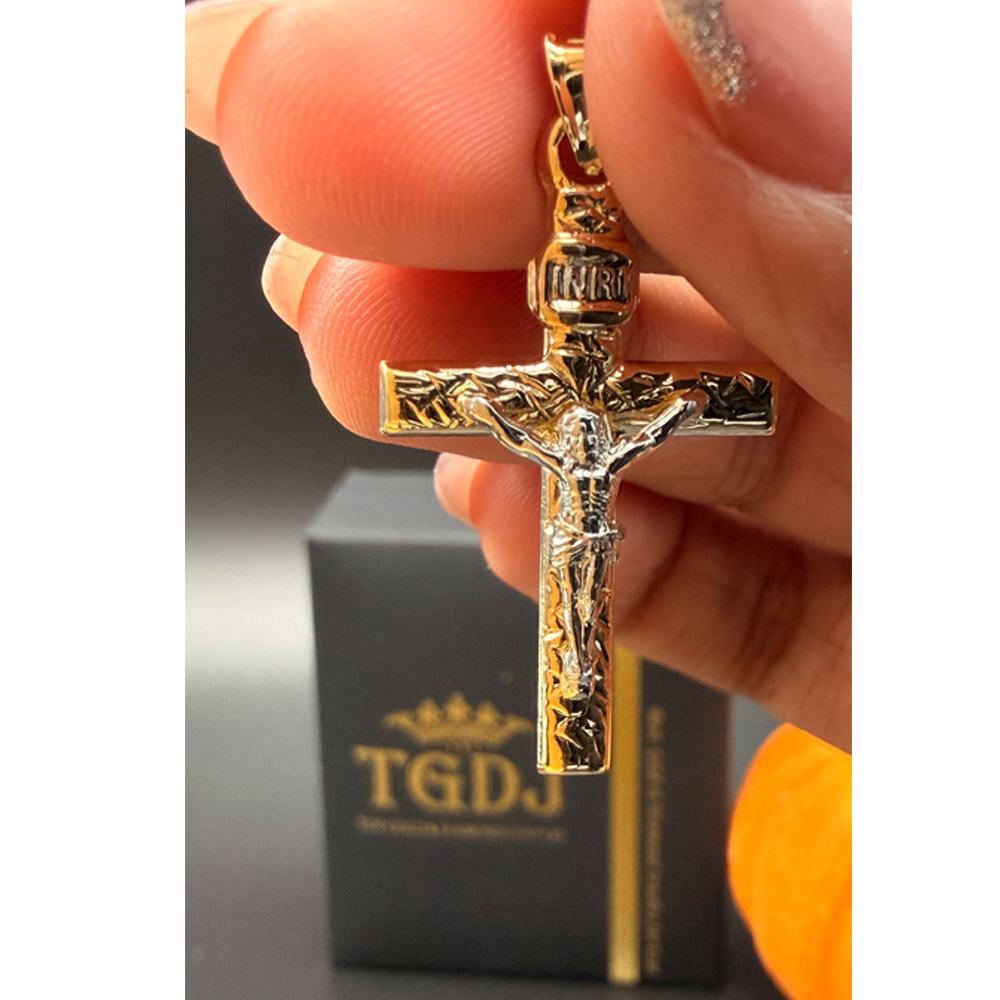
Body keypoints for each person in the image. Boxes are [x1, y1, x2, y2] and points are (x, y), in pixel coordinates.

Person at [185, 0, 851, 752]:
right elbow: (495, 415)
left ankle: (576, 722)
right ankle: (575, 719)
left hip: (592, 532)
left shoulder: (617, 427)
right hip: (573, 537)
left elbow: (678, 413)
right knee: (575, 599)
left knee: (584, 598)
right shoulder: (560, 425)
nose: (586, 435)